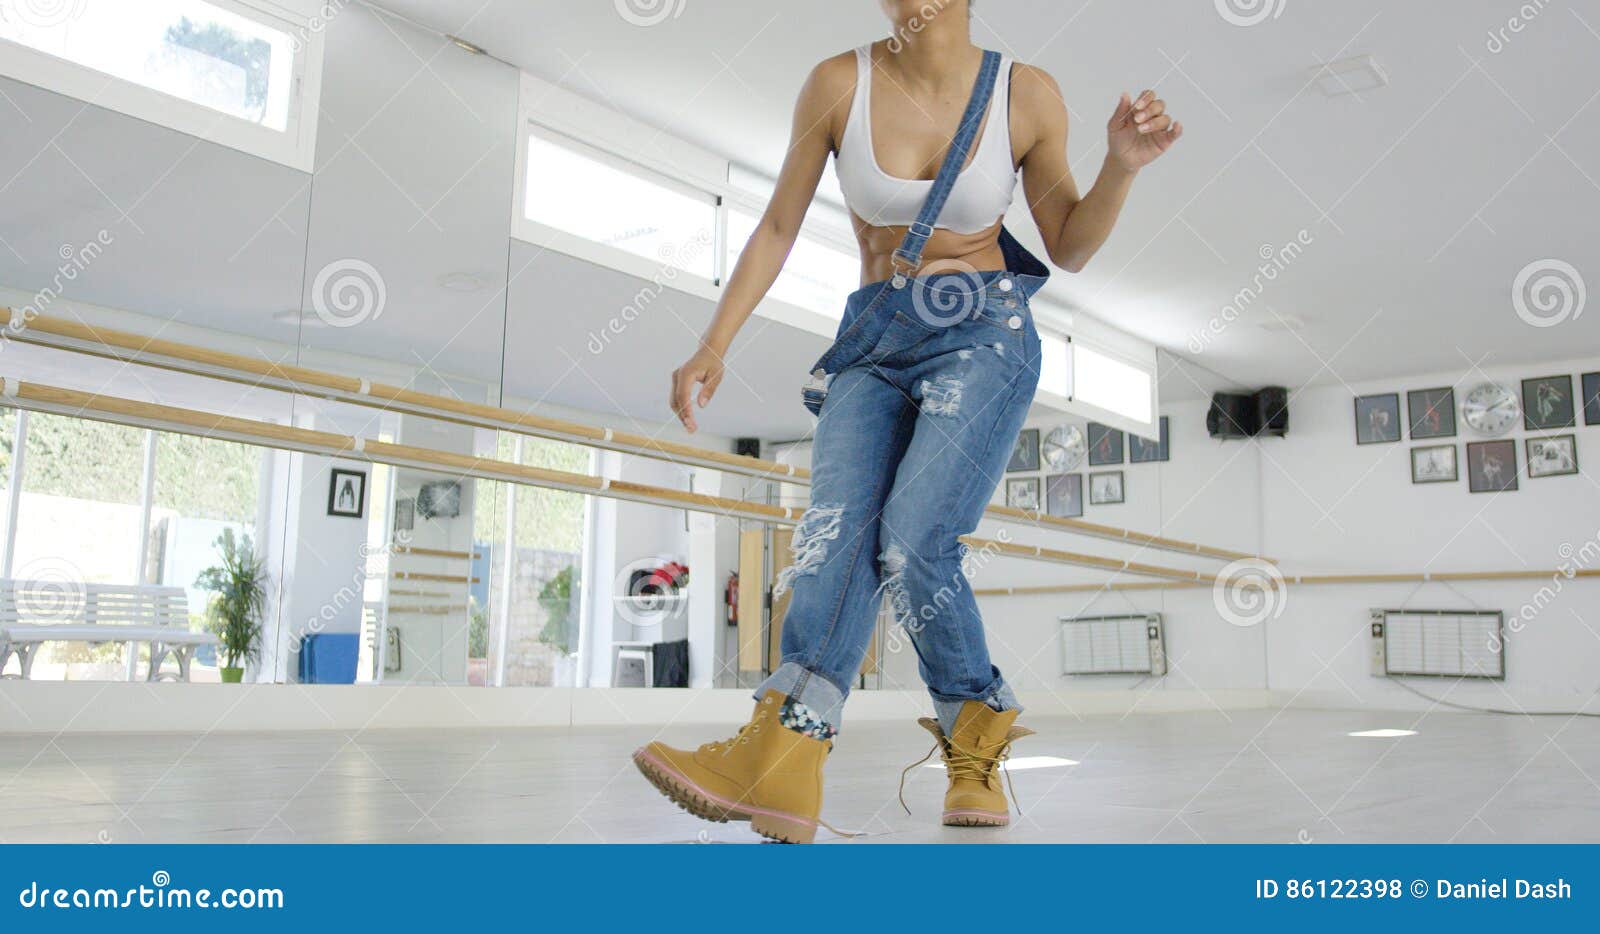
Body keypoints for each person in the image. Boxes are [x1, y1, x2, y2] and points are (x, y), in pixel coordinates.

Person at [636, 0, 1181, 842]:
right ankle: (784, 757)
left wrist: (1123, 165)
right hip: (876, 337)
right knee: (833, 536)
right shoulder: (836, 82)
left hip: (983, 331)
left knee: (915, 540)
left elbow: (1066, 244)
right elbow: (780, 223)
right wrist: (715, 341)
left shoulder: (1024, 94)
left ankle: (975, 744)